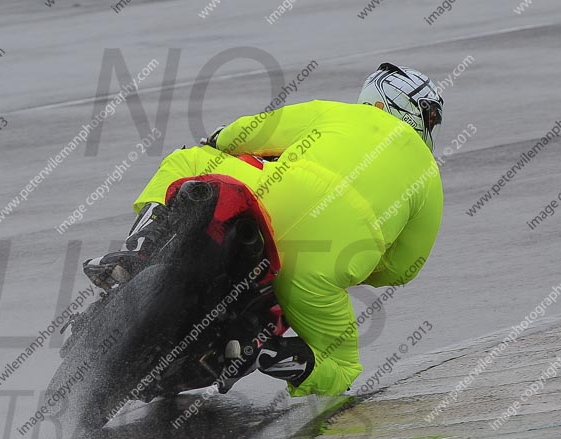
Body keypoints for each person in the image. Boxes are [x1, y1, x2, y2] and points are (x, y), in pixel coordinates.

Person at [83, 63, 444, 397]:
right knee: (343, 365)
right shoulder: (430, 179)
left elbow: (251, 131)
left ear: (376, 99)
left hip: (271, 201)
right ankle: (283, 356)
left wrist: (217, 140)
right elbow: (404, 268)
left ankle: (141, 249)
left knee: (185, 160)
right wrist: (357, 267)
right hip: (318, 268)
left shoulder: (341, 113)